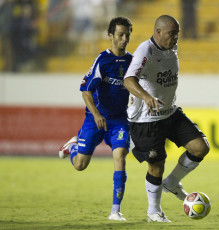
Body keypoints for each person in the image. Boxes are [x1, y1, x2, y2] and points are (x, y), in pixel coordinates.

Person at [123, 15, 210, 223]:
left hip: (169, 112)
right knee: (156, 165)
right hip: (146, 118)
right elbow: (128, 79)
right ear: (158, 32)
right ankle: (154, 211)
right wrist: (146, 97)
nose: (176, 38)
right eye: (172, 33)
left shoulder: (172, 48)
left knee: (200, 147)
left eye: (178, 34)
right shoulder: (146, 51)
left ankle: (172, 183)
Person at [58, 17, 133, 221]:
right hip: (95, 119)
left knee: (121, 156)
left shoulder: (132, 62)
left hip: (118, 120)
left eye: (127, 35)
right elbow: (85, 92)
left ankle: (115, 211)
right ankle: (73, 146)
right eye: (120, 35)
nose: (124, 39)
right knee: (80, 165)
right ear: (110, 36)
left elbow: (134, 86)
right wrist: (97, 114)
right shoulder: (103, 60)